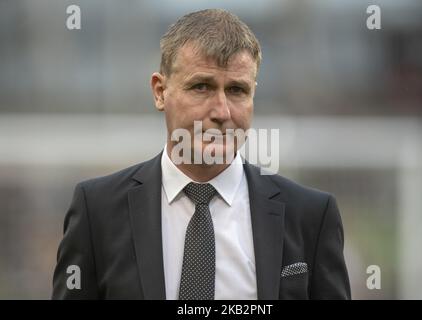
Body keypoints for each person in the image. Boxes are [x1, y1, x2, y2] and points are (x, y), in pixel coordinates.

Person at [52, 8, 351, 300]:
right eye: (201, 87)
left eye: (237, 90)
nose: (221, 112)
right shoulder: (97, 211)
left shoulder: (310, 215)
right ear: (160, 91)